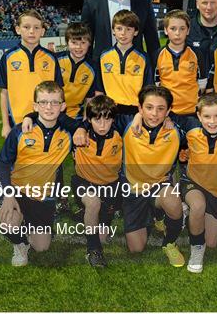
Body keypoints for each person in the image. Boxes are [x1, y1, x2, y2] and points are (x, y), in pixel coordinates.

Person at [74, 85, 185, 267]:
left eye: (160, 109)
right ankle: (154, 214)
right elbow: (99, 115)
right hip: (132, 190)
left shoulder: (177, 129)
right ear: (139, 108)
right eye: (148, 108)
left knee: (172, 201)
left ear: (169, 111)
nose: (154, 114)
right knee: (136, 248)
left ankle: (169, 243)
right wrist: (81, 127)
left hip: (158, 186)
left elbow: (206, 127)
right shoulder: (125, 122)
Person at [0, 81, 72, 266]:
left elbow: (95, 123)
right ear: (35, 106)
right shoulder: (20, 131)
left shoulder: (70, 134)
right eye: (44, 102)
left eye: (55, 102)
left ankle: (34, 223)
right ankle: (20, 244)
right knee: (8, 222)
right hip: (17, 191)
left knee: (42, 247)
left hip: (43, 196)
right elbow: (3, 164)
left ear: (63, 106)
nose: (49, 107)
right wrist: (7, 194)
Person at [180, 93, 217, 273]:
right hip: (192, 183)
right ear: (198, 116)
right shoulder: (190, 129)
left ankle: (188, 212)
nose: (212, 121)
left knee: (212, 242)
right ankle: (197, 250)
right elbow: (168, 122)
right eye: (206, 116)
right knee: (198, 205)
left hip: (216, 191)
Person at [72, 95, 123, 268]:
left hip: (110, 187)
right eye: (97, 119)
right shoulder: (78, 134)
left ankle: (86, 215)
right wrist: (80, 127)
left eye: (107, 120)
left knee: (103, 236)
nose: (102, 125)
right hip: (84, 183)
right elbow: (50, 118)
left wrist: (168, 118)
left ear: (113, 120)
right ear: (89, 119)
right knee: (93, 203)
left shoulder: (121, 133)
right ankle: (93, 251)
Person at [0, 10, 63, 138]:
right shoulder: (8, 57)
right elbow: (4, 93)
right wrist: (5, 125)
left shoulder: (51, 58)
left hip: (46, 120)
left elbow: (59, 92)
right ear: (17, 29)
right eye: (26, 27)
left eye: (36, 27)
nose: (32, 31)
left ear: (42, 31)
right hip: (16, 120)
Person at [94, 10, 153, 115]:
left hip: (135, 112)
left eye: (128, 29)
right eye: (119, 28)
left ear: (135, 32)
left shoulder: (143, 58)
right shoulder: (104, 56)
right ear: (113, 30)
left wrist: (141, 114)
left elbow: (148, 91)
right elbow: (99, 89)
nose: (123, 33)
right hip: (109, 111)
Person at [154, 10, 206, 118]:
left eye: (182, 29)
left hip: (192, 112)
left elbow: (203, 85)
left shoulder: (196, 54)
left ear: (188, 30)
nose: (177, 33)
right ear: (165, 30)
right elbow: (156, 85)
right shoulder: (158, 54)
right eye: (173, 29)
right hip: (167, 114)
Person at [57, 22, 95, 119]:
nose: (78, 47)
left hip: (76, 115)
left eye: (83, 43)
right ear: (67, 42)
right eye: (74, 43)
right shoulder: (56, 61)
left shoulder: (94, 68)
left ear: (89, 43)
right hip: (52, 112)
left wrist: (85, 123)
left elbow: (90, 99)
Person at [186, 0, 217, 75]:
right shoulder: (186, 29)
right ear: (197, 4)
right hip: (194, 86)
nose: (209, 7)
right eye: (204, 3)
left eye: (213, 2)